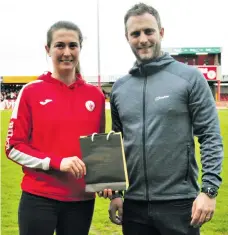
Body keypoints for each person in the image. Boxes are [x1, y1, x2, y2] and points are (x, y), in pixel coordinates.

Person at [108, 3, 224, 235]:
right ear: (127, 37)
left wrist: (208, 191)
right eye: (135, 33)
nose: (143, 39)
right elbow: (117, 144)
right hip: (135, 207)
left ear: (161, 32)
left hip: (180, 204)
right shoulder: (120, 88)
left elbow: (210, 136)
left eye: (149, 31)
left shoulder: (189, 78)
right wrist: (117, 193)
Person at [5, 21, 110, 235]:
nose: (66, 52)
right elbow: (13, 147)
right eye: (59, 45)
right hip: (39, 198)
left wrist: (107, 182)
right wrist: (56, 162)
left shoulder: (96, 97)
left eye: (73, 45)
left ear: (80, 48)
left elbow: (98, 148)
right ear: (48, 49)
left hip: (81, 201)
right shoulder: (31, 92)